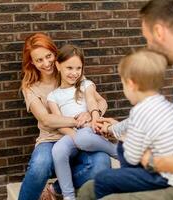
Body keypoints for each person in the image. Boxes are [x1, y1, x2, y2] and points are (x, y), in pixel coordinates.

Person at [77, 0, 173, 199]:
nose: (148, 47)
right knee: (90, 188)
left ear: (158, 32)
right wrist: (116, 128)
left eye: (147, 39)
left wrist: (154, 162)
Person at [18, 33, 111, 200]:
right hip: (51, 139)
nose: (46, 63)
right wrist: (78, 120)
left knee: (101, 164)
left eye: (48, 56)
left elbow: (101, 101)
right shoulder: (30, 87)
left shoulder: (70, 71)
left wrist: (92, 114)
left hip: (84, 134)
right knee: (40, 165)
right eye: (39, 60)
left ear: (55, 55)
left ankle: (56, 189)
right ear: (32, 62)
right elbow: (46, 119)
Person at [47, 44, 117, 200]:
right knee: (58, 150)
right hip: (72, 134)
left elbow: (93, 101)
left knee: (84, 137)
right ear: (58, 65)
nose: (74, 73)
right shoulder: (53, 96)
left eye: (78, 68)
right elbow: (60, 122)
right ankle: (68, 196)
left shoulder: (86, 84)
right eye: (69, 68)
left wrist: (94, 117)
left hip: (90, 129)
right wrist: (74, 136)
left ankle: (118, 152)